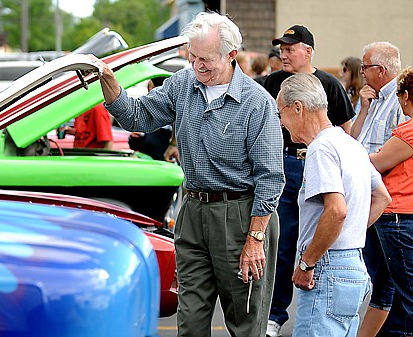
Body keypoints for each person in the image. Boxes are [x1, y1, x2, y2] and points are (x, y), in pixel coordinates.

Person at [89, 11, 284, 337]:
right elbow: (139, 117)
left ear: (231, 55)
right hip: (193, 211)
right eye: (192, 57)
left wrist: (255, 239)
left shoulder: (257, 103)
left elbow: (270, 178)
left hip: (241, 216)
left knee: (244, 321)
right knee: (190, 319)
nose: (197, 66)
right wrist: (110, 86)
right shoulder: (183, 83)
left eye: (206, 59)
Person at [277, 72, 391, 337]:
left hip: (328, 266)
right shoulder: (351, 145)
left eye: (280, 113)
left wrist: (307, 263)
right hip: (353, 263)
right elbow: (382, 197)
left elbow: (337, 210)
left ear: (298, 108)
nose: (281, 123)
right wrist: (352, 230)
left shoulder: (321, 148)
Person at [263, 24, 355, 337]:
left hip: (318, 161)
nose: (284, 54)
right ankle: (276, 315)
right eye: (282, 48)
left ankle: (321, 291)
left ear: (308, 52)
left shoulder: (328, 84)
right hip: (286, 164)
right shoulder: (274, 81)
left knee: (324, 229)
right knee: (284, 239)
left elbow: (345, 129)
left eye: (290, 48)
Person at [350, 41, 408, 337]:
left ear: (380, 69)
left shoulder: (400, 103)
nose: (361, 72)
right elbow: (355, 139)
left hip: (389, 204)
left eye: (365, 67)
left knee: (389, 285)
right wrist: (363, 109)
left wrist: (359, 162)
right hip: (371, 199)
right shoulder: (373, 99)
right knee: (381, 281)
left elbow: (388, 157)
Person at [367, 66, 413, 337]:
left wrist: (354, 155)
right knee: (387, 288)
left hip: (397, 217)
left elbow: (379, 162)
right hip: (404, 216)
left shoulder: (407, 131)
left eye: (398, 93)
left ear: (406, 95)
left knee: (407, 295)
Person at [128, 78, 172, 160]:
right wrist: (135, 138)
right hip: (149, 163)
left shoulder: (173, 113)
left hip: (167, 164)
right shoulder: (145, 111)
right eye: (151, 89)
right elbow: (134, 145)